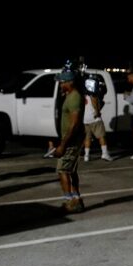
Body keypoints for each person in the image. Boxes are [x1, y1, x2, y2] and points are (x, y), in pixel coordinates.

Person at [53, 69, 86, 213]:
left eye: (62, 82)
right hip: (72, 139)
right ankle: (76, 199)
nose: (60, 84)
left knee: (63, 170)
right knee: (71, 170)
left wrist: (63, 145)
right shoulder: (70, 95)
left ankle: (69, 202)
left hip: (71, 140)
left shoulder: (74, 97)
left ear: (70, 82)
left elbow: (74, 124)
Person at [83, 93, 112, 162]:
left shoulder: (82, 96)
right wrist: (97, 112)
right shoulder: (92, 95)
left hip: (85, 120)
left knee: (87, 138)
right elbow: (94, 102)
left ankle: (86, 155)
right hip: (94, 119)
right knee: (101, 136)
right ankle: (104, 153)